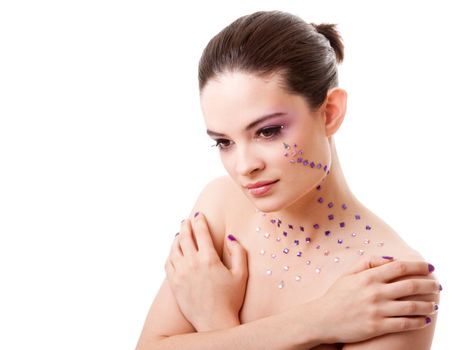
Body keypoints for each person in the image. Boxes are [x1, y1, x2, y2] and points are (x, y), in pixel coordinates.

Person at [136, 10, 441, 350]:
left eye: (268, 131)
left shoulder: (390, 278)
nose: (243, 166)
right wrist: (316, 320)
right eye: (224, 142)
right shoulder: (221, 206)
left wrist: (213, 322)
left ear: (330, 112)